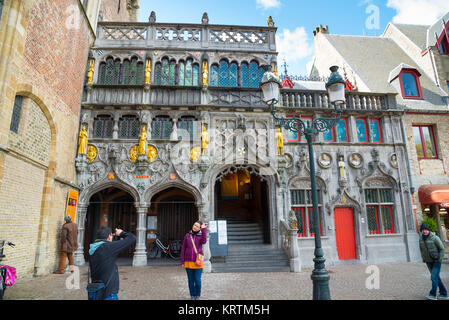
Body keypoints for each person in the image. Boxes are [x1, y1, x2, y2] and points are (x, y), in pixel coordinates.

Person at [88, 227, 136, 300]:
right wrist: (121, 233)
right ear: (109, 236)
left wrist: (118, 242)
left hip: (96, 291)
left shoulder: (93, 249)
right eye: (112, 236)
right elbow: (132, 238)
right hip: (108, 293)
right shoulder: (108, 247)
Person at [419, 223, 448, 300]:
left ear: (428, 230)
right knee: (436, 277)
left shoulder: (435, 238)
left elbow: (442, 249)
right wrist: (423, 258)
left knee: (433, 277)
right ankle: (444, 293)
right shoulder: (421, 239)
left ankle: (432, 294)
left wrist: (439, 259)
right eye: (422, 230)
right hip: (428, 261)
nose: (424, 231)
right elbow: (422, 250)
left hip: (436, 261)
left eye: (425, 230)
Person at [180, 221, 207, 300]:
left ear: (200, 228)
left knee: (197, 280)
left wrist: (204, 230)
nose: (195, 227)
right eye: (194, 225)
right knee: (191, 280)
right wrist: (182, 261)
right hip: (188, 261)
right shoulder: (187, 235)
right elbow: (183, 248)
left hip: (198, 261)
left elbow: (204, 241)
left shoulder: (201, 235)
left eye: (197, 226)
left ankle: (197, 295)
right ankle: (192, 295)